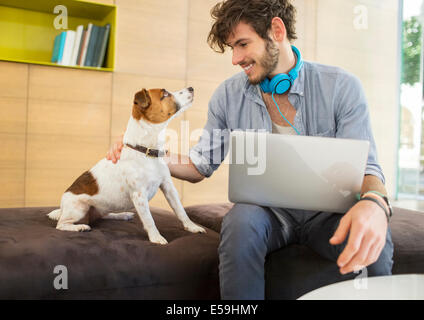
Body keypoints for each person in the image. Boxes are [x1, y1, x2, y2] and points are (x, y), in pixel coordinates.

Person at [107, 0, 393, 299]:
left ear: (277, 31)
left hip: (330, 215)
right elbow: (199, 164)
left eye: (243, 44)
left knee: (377, 239)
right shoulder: (228, 96)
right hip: (268, 214)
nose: (235, 58)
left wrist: (374, 203)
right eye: (232, 48)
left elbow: (368, 169)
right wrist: (141, 151)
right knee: (240, 221)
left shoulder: (342, 87)